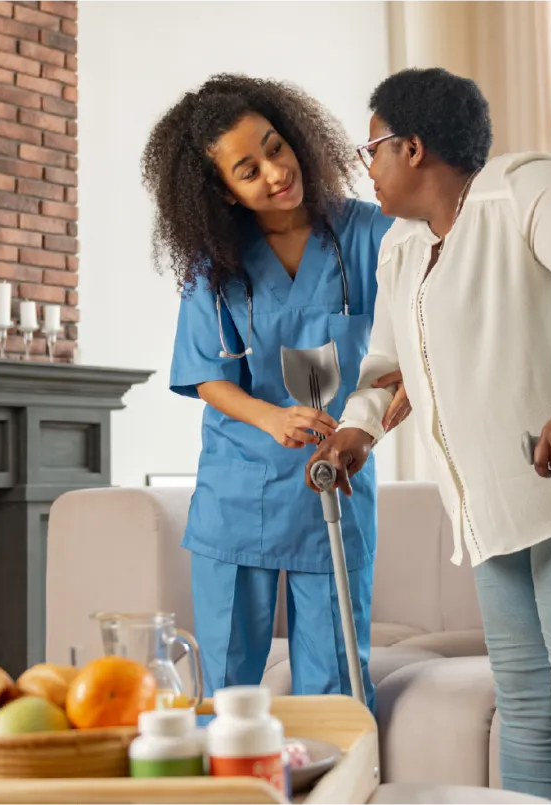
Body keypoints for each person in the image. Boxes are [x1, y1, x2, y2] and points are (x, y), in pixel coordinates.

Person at [307, 67, 551, 802]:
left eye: (374, 148)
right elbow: (388, 368)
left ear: (414, 147)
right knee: (525, 715)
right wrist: (357, 431)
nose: (368, 168)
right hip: (500, 513)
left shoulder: (519, 189)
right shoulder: (401, 247)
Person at [141, 74, 394, 708]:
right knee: (226, 686)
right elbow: (206, 375)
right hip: (238, 487)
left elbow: (410, 342)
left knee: (335, 687)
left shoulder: (368, 234)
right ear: (223, 193)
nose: (275, 173)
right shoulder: (215, 263)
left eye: (275, 148)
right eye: (248, 171)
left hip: (331, 478)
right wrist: (272, 419)